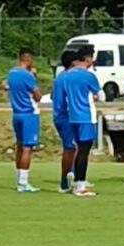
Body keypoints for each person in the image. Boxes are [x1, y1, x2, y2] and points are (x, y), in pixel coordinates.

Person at [62, 46, 103, 197]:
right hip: (86, 116)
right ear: (88, 58)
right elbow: (101, 95)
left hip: (72, 116)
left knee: (78, 149)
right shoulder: (88, 76)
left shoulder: (67, 75)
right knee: (84, 151)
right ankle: (80, 185)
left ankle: (76, 181)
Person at [7, 48, 42, 193]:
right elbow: (37, 96)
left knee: (20, 146)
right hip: (29, 113)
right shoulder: (27, 75)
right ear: (28, 59)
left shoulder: (12, 73)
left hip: (17, 113)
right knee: (28, 148)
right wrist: (34, 76)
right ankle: (23, 182)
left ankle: (19, 179)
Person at [52, 50, 78, 193]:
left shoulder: (59, 78)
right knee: (70, 148)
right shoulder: (68, 78)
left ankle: (73, 176)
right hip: (66, 117)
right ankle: (64, 182)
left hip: (61, 116)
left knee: (74, 147)